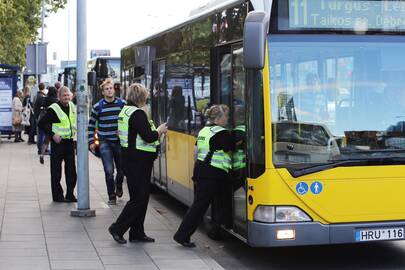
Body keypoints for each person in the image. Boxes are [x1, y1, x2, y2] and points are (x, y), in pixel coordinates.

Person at [108, 83, 167, 244]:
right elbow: (148, 136)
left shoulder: (125, 111)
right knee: (139, 198)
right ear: (141, 98)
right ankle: (117, 228)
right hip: (138, 161)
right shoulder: (137, 114)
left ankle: (137, 232)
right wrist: (160, 130)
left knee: (140, 197)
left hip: (130, 158)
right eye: (146, 97)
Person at [173, 104, 233, 248]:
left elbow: (195, 152)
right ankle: (182, 235)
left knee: (210, 204)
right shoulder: (221, 133)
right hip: (214, 174)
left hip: (202, 171)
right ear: (219, 118)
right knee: (201, 206)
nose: (228, 118)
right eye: (226, 116)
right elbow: (231, 146)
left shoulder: (204, 131)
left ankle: (216, 231)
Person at [88, 79, 126, 204]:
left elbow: (128, 121)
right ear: (103, 92)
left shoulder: (122, 104)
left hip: (119, 142)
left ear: (114, 90)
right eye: (107, 89)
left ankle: (118, 184)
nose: (109, 90)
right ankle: (111, 195)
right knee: (109, 170)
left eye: (111, 88)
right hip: (105, 142)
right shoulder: (98, 107)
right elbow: (91, 125)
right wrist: (91, 142)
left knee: (122, 169)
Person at [38, 86, 77, 202]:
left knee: (71, 171)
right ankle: (57, 196)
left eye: (67, 95)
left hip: (69, 142)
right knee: (56, 172)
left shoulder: (72, 106)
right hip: (58, 144)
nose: (66, 97)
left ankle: (70, 194)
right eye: (63, 95)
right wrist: (53, 134)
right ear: (59, 97)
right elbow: (42, 123)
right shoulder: (54, 108)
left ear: (70, 96)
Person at [38, 86, 59, 164]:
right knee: (53, 138)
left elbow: (43, 107)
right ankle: (53, 153)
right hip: (54, 122)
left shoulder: (45, 99)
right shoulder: (56, 101)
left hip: (46, 121)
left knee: (46, 139)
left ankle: (42, 154)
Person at [34, 83, 47, 155]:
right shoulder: (41, 97)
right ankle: (40, 149)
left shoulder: (36, 96)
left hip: (37, 116)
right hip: (40, 117)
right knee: (41, 134)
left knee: (40, 134)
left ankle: (40, 148)